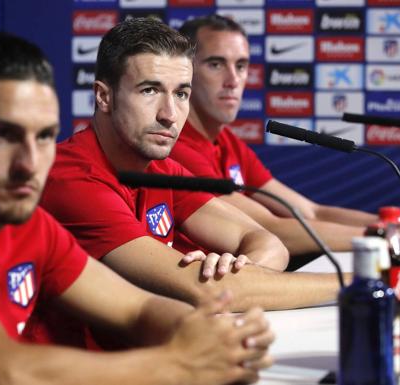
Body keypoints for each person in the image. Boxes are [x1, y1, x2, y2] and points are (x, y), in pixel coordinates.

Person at [0, 32, 274, 385]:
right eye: (3, 136)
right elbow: (2, 372)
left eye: (43, 137)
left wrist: (203, 336)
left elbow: (137, 310)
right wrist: (178, 364)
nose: (29, 164)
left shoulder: (25, 221)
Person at [41, 18, 349, 315]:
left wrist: (242, 274)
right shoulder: (73, 178)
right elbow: (210, 292)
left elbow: (269, 242)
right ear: (104, 97)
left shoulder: (161, 170)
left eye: (181, 94)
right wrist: (354, 283)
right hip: (89, 365)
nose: (170, 114)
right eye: (150, 90)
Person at [169, 15, 400, 269]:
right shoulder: (176, 148)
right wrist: (392, 238)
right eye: (215, 64)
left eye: (241, 65)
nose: (233, 81)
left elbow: (311, 212)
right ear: (185, 72)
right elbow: (270, 228)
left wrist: (397, 225)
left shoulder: (226, 140)